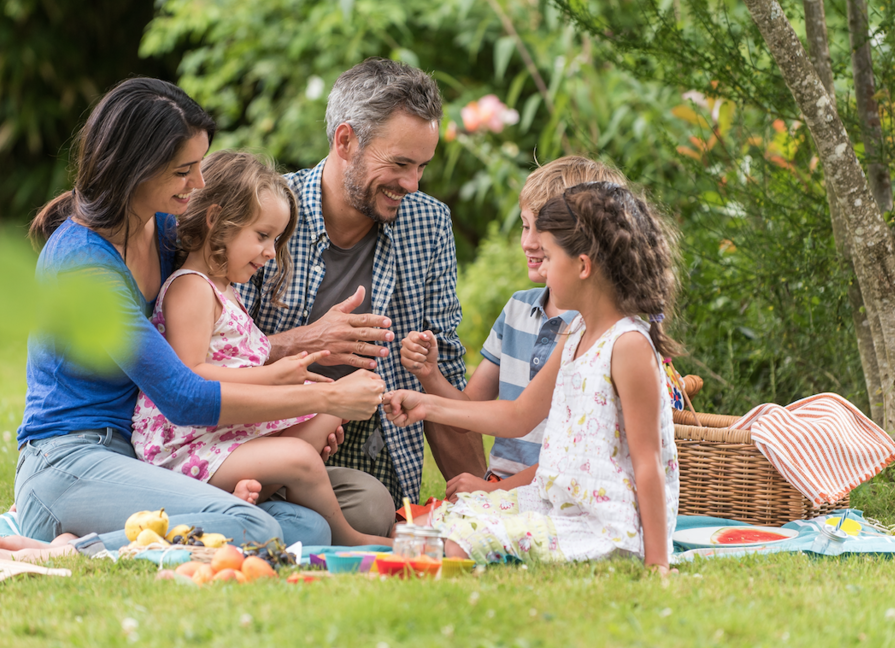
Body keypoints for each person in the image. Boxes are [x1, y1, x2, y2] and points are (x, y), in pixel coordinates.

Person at [14, 77, 386, 552]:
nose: (199, 183)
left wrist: (306, 348)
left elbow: (218, 346)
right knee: (256, 530)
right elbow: (183, 395)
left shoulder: (165, 233)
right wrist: (325, 400)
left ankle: (176, 519)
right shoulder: (83, 263)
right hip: (69, 461)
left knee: (309, 529)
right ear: (134, 168)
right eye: (183, 170)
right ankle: (69, 548)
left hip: (144, 458)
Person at [383, 182, 681, 573]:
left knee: (441, 549)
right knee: (415, 531)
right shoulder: (577, 334)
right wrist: (426, 404)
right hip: (554, 501)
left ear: (583, 266)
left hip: (604, 528)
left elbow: (648, 463)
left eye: (551, 256)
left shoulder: (627, 346)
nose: (542, 267)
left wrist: (657, 562)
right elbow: (518, 415)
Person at [236, 58, 484, 527]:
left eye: (422, 167)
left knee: (371, 509)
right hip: (255, 443)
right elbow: (210, 362)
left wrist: (485, 506)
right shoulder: (264, 212)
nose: (411, 185)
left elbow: (445, 375)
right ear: (345, 141)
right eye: (400, 164)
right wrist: (305, 342)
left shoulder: (428, 224)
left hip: (371, 455)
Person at [131, 151, 391, 547]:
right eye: (262, 236)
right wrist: (273, 376)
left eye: (276, 239)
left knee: (328, 412)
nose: (271, 253)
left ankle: (246, 497)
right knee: (301, 457)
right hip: (186, 447)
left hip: (222, 436)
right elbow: (189, 375)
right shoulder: (191, 288)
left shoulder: (226, 292)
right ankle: (348, 537)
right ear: (216, 221)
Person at [399, 156, 628, 497]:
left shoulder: (594, 331)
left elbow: (572, 457)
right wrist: (429, 374)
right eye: (525, 226)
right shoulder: (517, 310)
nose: (529, 242)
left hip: (554, 490)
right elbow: (472, 412)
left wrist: (497, 491)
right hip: (502, 486)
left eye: (543, 231)